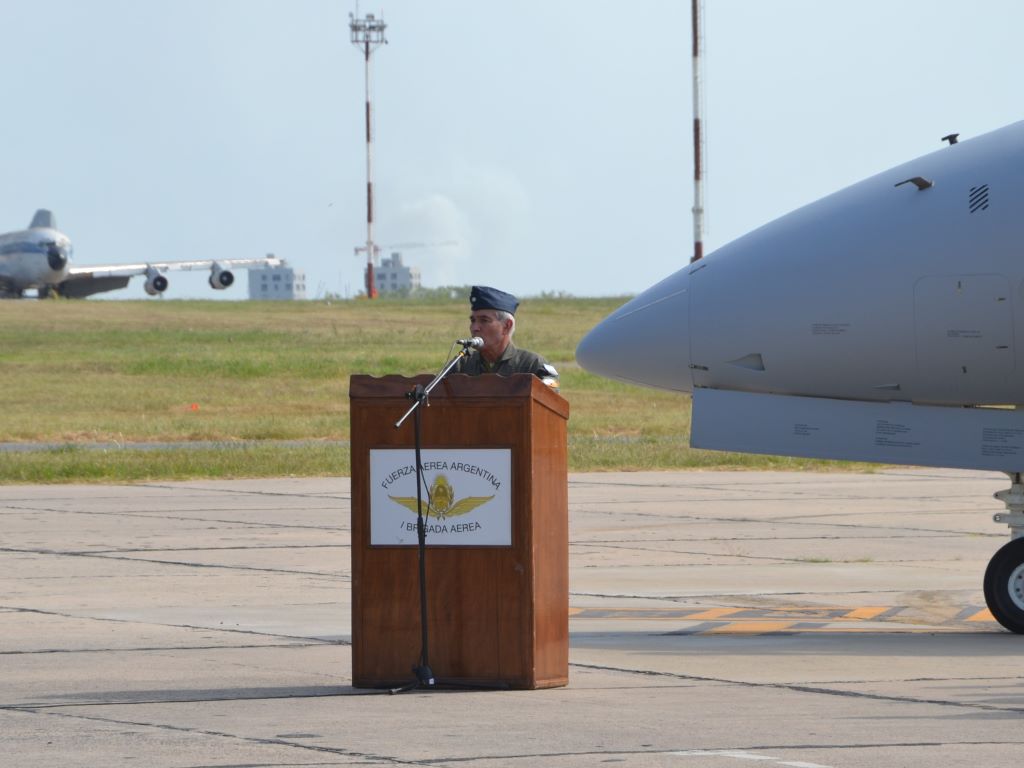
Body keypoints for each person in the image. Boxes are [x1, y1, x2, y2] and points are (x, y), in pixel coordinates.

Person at [455, 285, 559, 388]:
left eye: (484, 320)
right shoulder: (461, 364)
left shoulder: (533, 365)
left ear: (506, 326)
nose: (475, 327)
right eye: (473, 321)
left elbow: (553, 400)